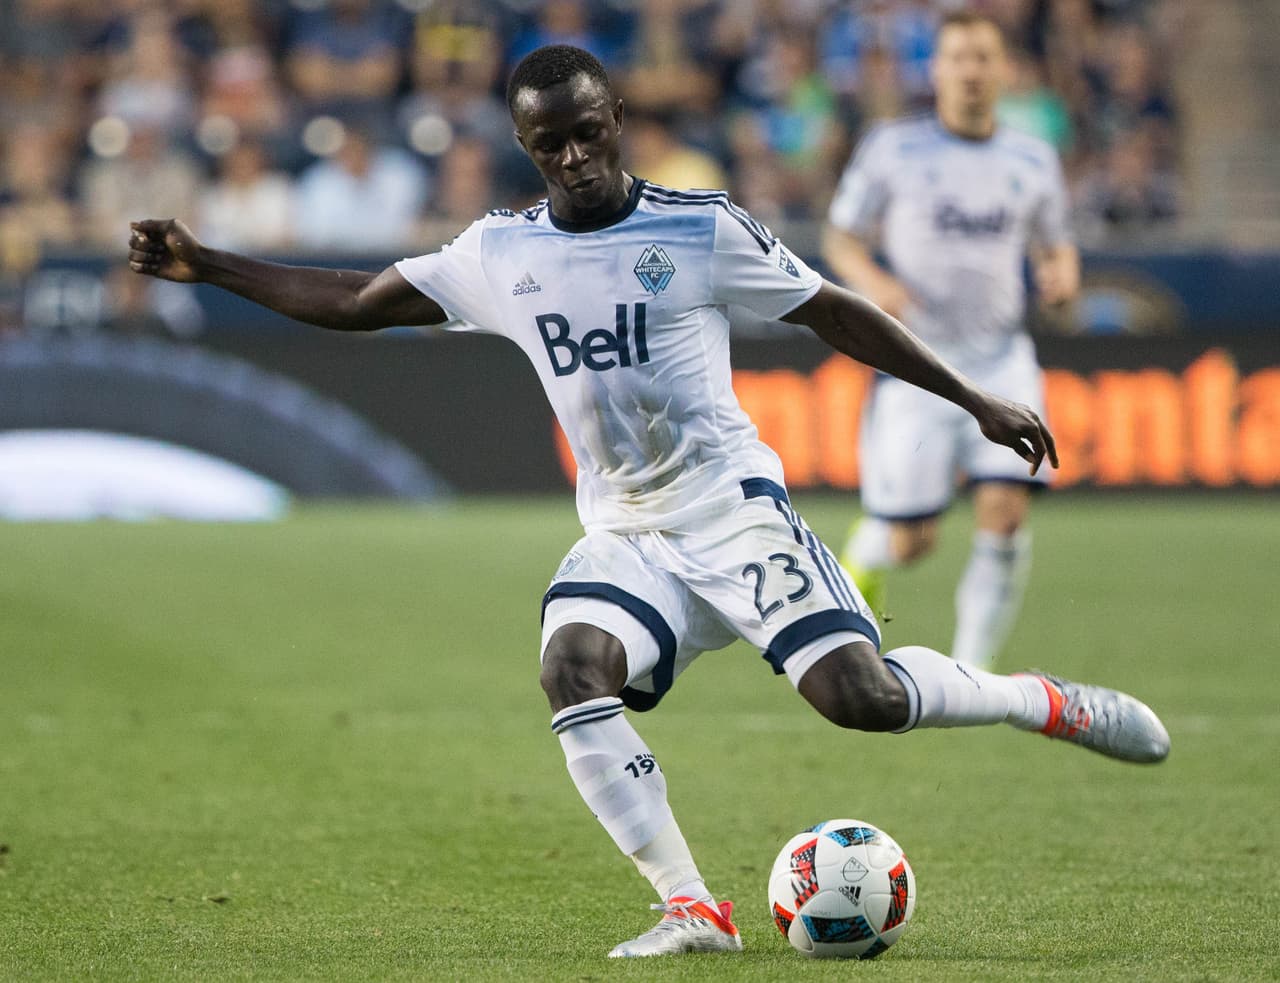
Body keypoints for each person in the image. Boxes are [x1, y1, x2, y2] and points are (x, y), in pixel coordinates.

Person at [128, 43, 1167, 959]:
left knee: (864, 700)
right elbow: (357, 301)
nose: (574, 157)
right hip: (628, 531)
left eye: (588, 132)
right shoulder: (501, 251)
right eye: (550, 145)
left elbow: (833, 311)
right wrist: (206, 264)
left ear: (617, 118)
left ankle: (1034, 699)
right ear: (526, 146)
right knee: (570, 665)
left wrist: (974, 399)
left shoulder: (700, 228)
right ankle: (690, 904)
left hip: (733, 510)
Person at [822, 11, 1081, 670]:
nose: (971, 71)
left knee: (1006, 508)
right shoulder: (893, 148)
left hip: (1002, 359)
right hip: (917, 367)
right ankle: (866, 552)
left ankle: (971, 672)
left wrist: (1061, 275)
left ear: (1004, 71)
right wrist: (872, 281)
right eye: (958, 58)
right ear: (936, 70)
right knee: (912, 541)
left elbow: (1057, 244)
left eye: (983, 58)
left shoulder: (1032, 159)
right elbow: (840, 237)